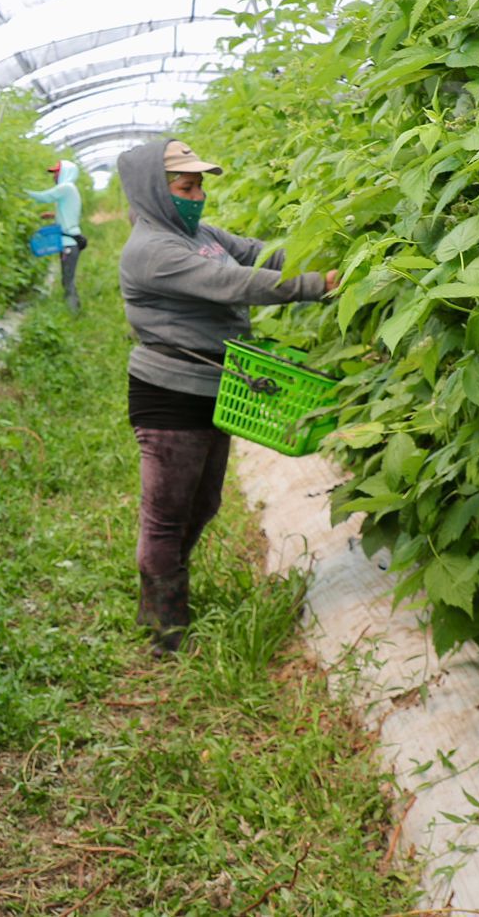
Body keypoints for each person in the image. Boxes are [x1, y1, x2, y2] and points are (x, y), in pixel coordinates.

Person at [116, 138, 337, 655]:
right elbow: (237, 282)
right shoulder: (151, 251)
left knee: (206, 502)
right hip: (169, 394)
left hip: (215, 385)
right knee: (166, 516)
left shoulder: (199, 234)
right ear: (154, 191)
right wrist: (318, 284)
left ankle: (161, 593)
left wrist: (332, 246)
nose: (197, 196)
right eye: (185, 186)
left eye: (199, 186)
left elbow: (263, 255)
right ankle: (167, 633)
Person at [24, 158, 85, 312]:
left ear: (65, 172)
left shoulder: (66, 188)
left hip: (69, 243)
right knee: (67, 278)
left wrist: (21, 192)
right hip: (70, 241)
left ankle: (73, 313)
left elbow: (44, 197)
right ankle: (74, 309)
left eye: (57, 172)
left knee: (67, 280)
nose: (54, 176)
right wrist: (53, 215)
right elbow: (68, 213)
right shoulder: (70, 190)